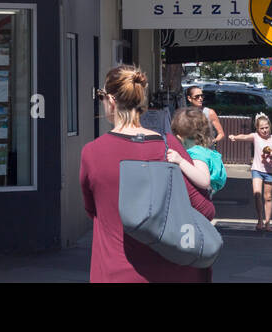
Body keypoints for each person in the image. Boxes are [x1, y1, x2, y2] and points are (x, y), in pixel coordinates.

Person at [80, 65, 216, 282]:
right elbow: (205, 209)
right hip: (173, 272)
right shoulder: (168, 146)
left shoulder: (92, 153)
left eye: (102, 97)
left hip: (116, 274)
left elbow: (93, 211)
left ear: (112, 101)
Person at [229, 112, 272, 232]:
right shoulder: (255, 136)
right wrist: (235, 137)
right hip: (257, 169)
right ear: (257, 129)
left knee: (268, 197)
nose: (264, 130)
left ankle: (267, 223)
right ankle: (260, 220)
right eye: (261, 128)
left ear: (270, 126)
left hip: (270, 171)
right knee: (257, 194)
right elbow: (244, 136)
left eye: (266, 127)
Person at [170, 106, 226, 198]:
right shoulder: (201, 150)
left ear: (179, 137)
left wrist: (180, 161)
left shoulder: (196, 154)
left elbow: (204, 181)